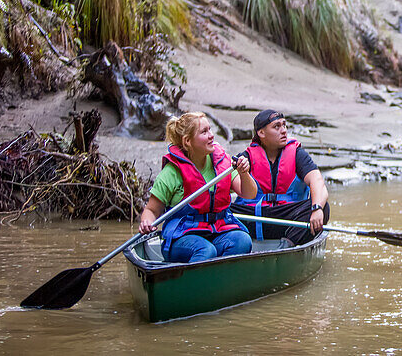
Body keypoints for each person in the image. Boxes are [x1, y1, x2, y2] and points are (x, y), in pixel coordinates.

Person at [139, 112, 257, 263]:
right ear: (187, 141)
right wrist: (147, 222)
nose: (211, 136)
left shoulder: (223, 162)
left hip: (217, 231)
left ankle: (222, 280)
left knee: (242, 240)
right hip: (182, 237)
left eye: (210, 129)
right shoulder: (171, 173)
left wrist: (244, 173)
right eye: (204, 132)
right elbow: (151, 210)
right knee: (206, 250)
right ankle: (198, 283)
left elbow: (250, 194)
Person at [230, 109, 330, 245]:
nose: (283, 130)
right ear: (261, 133)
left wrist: (317, 208)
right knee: (221, 208)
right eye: (276, 126)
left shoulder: (297, 154)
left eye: (284, 125)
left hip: (287, 219)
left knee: (323, 206)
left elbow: (317, 182)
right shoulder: (246, 157)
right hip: (255, 216)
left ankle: (288, 247)